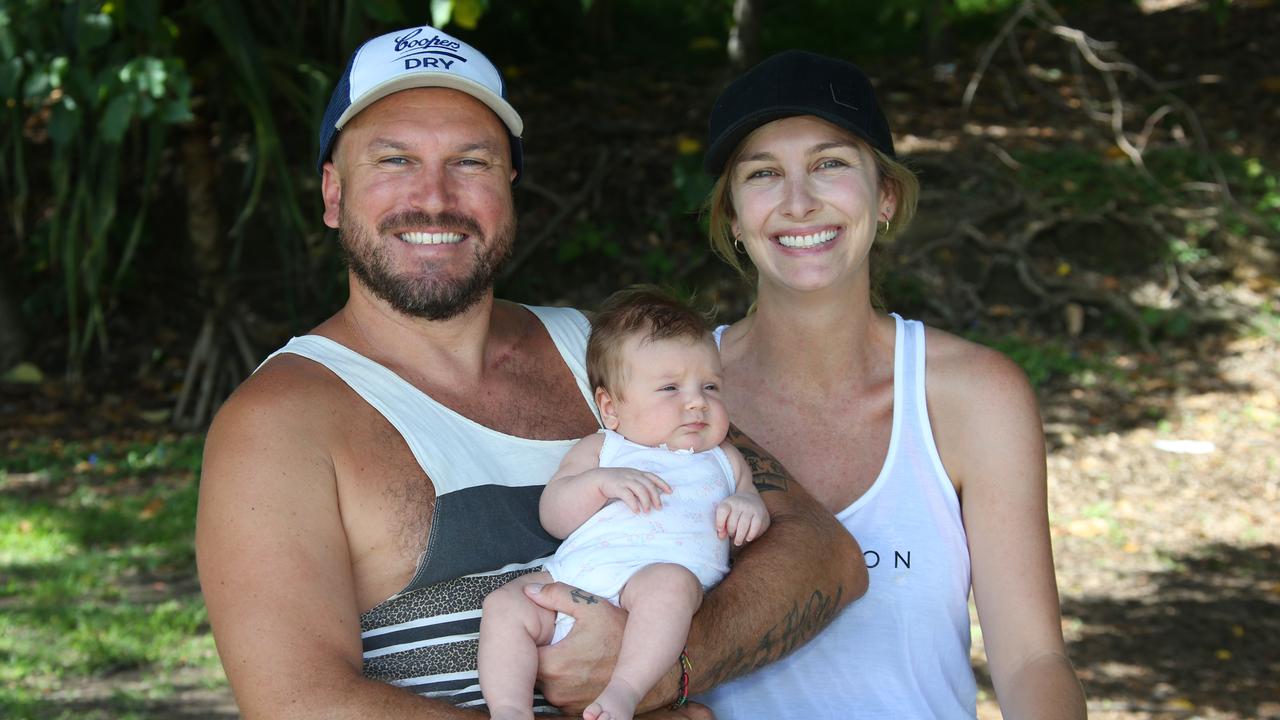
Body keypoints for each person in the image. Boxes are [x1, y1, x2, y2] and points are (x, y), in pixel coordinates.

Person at [194, 26, 865, 719]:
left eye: (471, 161)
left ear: (510, 185)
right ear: (333, 193)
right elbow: (296, 705)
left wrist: (671, 668)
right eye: (393, 160)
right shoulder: (279, 425)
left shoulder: (599, 352)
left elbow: (826, 556)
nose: (434, 196)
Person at [692, 50, 1089, 719]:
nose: (798, 201)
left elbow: (1031, 661)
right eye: (763, 174)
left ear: (886, 196)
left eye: (830, 164)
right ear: (732, 216)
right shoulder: (669, 391)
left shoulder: (975, 397)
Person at [479, 288, 769, 720]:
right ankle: (508, 710)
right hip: (577, 576)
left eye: (710, 386)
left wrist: (749, 505)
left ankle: (623, 692)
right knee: (503, 605)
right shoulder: (604, 449)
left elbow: (753, 501)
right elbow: (554, 516)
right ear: (611, 409)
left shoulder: (725, 458)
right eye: (670, 387)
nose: (696, 401)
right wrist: (599, 484)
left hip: (656, 589)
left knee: (670, 586)